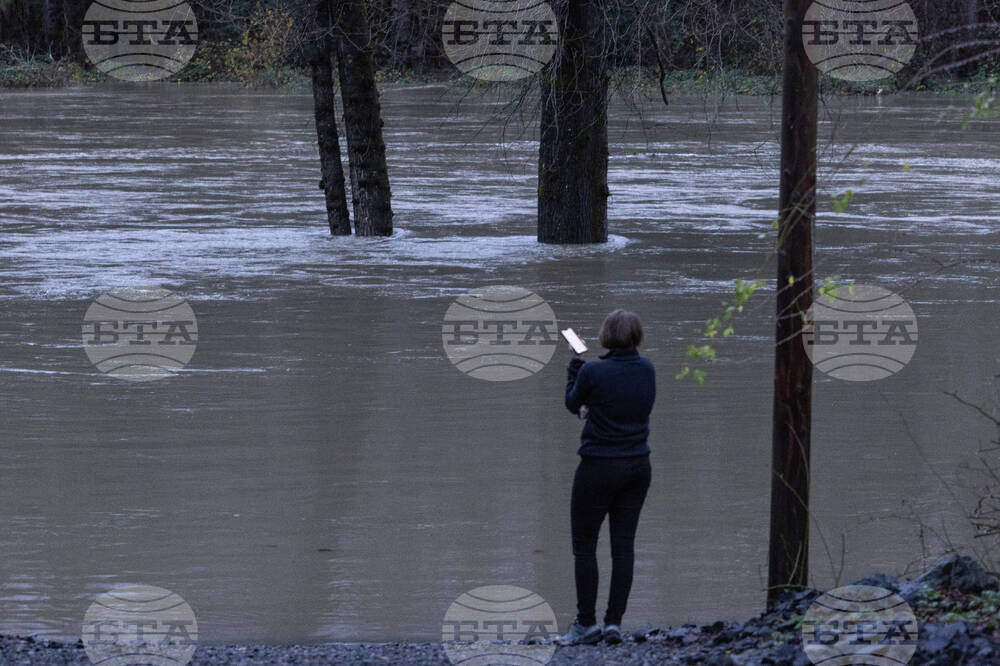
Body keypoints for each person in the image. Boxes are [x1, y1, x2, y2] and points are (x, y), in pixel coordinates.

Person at [554, 309, 655, 647]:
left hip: (598, 467)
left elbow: (573, 403)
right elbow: (628, 405)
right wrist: (593, 407)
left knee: (585, 546)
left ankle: (586, 624)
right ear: (637, 336)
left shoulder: (592, 371)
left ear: (606, 335)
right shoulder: (647, 369)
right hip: (638, 466)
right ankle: (613, 624)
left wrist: (574, 366)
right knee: (623, 546)